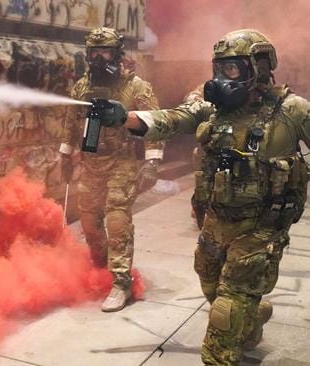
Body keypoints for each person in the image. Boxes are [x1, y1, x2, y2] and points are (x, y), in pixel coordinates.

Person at [102, 29, 309, 365]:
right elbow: (171, 119)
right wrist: (123, 117)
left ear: (258, 66)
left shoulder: (292, 111)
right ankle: (252, 316)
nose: (222, 77)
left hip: (261, 228)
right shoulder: (213, 110)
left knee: (225, 312)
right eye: (219, 67)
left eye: (232, 68)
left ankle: (226, 342)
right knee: (211, 285)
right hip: (216, 220)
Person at [59, 27, 164, 312]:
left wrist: (152, 162)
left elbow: (154, 123)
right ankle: (99, 268)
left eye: (104, 51)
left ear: (117, 54)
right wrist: (65, 157)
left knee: (117, 221)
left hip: (122, 161)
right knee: (90, 222)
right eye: (93, 52)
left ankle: (121, 282)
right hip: (91, 162)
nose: (97, 58)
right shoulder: (81, 87)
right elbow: (70, 124)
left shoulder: (136, 87)